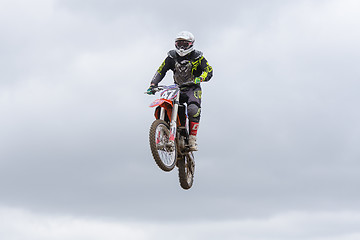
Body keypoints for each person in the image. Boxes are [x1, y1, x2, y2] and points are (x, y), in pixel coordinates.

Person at [146, 31, 213, 151]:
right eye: (179, 43)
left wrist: (201, 78)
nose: (181, 47)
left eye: (185, 44)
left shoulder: (198, 57)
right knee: (164, 104)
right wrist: (153, 84)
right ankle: (165, 132)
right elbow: (161, 70)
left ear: (191, 44)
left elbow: (209, 70)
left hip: (192, 88)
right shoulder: (172, 57)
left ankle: (192, 139)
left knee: (193, 109)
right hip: (177, 88)